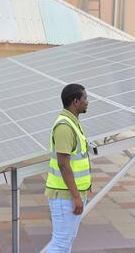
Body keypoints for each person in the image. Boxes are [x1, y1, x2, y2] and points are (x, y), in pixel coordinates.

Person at [45, 83, 91, 253]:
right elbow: (63, 165)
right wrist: (76, 197)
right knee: (60, 243)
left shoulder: (73, 123)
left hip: (70, 194)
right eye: (85, 98)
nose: (87, 101)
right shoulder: (64, 127)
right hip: (65, 195)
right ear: (75, 101)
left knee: (66, 242)